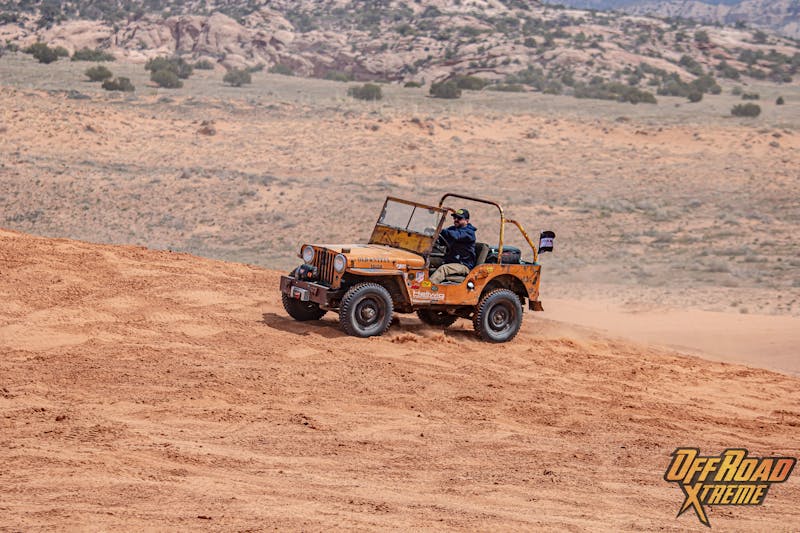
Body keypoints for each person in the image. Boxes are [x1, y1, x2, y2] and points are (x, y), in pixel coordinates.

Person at [430, 208, 476, 284]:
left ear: (467, 221)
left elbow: (455, 236)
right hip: (450, 260)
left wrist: (439, 230)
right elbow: (443, 238)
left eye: (459, 218)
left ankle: (427, 289)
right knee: (426, 261)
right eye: (455, 217)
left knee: (444, 269)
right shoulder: (453, 229)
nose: (456, 219)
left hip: (463, 264)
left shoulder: (469, 232)